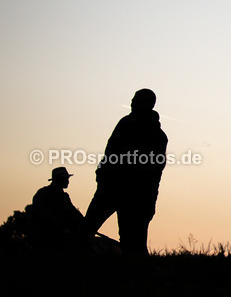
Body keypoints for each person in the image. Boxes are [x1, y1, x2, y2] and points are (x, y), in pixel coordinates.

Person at [83, 88, 168, 256]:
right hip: (112, 188)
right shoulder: (126, 124)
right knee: (86, 230)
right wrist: (101, 173)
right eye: (133, 99)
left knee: (133, 243)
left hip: (135, 195)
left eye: (135, 99)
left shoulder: (157, 136)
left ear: (146, 104)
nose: (131, 102)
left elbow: (154, 169)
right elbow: (110, 152)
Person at [25, 167, 86, 251]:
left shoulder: (64, 197)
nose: (67, 181)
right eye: (65, 179)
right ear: (58, 179)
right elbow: (38, 213)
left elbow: (74, 213)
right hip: (47, 239)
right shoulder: (43, 193)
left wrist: (85, 224)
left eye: (67, 178)